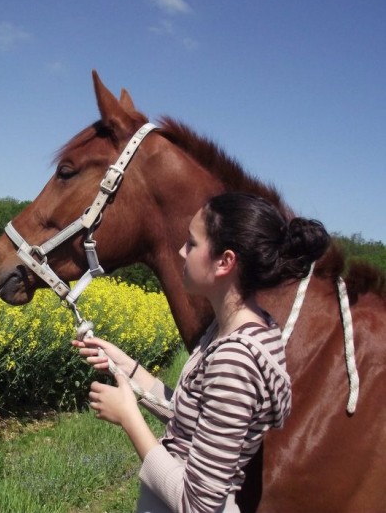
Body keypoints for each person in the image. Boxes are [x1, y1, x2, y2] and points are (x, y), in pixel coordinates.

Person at [72, 192, 330, 513]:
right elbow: (194, 417)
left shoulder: (235, 359)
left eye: (192, 244)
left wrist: (128, 417)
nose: (181, 252)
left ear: (225, 261)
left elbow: (198, 504)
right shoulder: (241, 329)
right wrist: (122, 364)